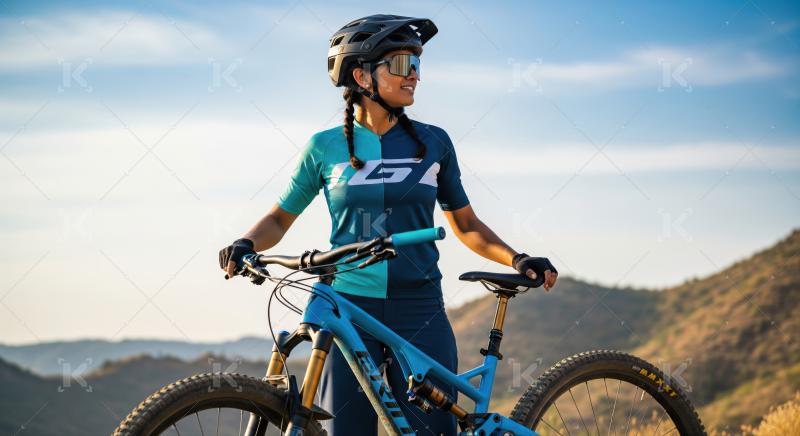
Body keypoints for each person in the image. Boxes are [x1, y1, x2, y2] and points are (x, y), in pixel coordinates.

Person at [218, 14, 558, 436]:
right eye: (401, 64)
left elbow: (466, 224)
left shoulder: (434, 142)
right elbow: (279, 217)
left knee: (433, 431)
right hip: (348, 307)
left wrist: (518, 257)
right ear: (361, 75)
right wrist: (246, 241)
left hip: (419, 310)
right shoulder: (324, 147)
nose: (415, 75)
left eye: (417, 64)